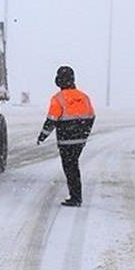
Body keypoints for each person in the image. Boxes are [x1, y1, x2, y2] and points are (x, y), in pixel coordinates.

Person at [37, 66, 95, 207]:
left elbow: (51, 120)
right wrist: (84, 133)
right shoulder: (84, 97)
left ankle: (76, 197)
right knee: (73, 165)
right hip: (80, 140)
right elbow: (91, 116)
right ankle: (76, 196)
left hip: (65, 141)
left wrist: (42, 136)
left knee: (70, 167)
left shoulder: (58, 98)